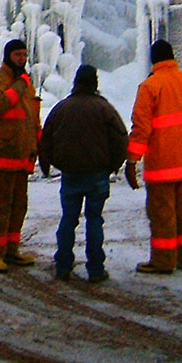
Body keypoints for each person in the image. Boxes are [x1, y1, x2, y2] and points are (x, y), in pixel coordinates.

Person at [124, 39, 182, 275]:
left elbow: (141, 128)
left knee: (163, 214)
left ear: (153, 60)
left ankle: (163, 261)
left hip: (162, 165)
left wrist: (132, 160)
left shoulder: (150, 86)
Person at [38, 64, 127, 283]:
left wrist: (48, 164)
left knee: (68, 219)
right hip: (97, 174)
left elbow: (46, 138)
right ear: (95, 83)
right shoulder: (104, 108)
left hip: (71, 174)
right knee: (95, 220)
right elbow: (121, 139)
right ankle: (96, 269)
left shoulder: (62, 108)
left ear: (76, 82)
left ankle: (63, 266)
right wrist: (112, 165)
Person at [0, 38, 41, 272]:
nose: (22, 59)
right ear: (8, 56)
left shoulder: (25, 84)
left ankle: (11, 251)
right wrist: (20, 86)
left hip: (21, 157)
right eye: (18, 55)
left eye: (25, 55)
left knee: (19, 207)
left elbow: (31, 118)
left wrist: (37, 145)